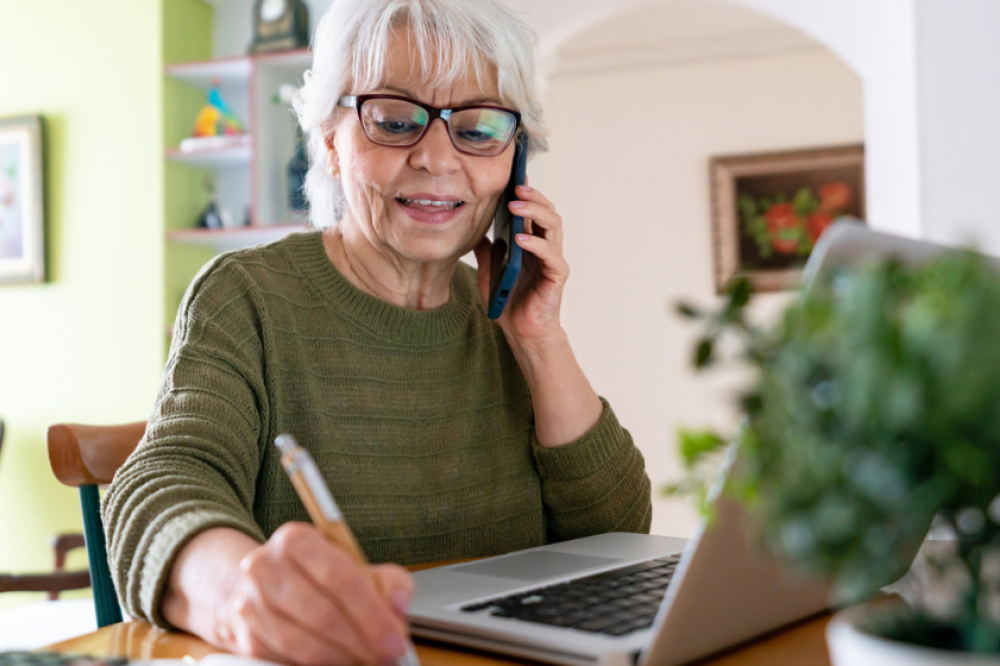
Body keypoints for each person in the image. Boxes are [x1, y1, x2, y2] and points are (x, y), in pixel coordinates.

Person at [103, 1, 652, 664]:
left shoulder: (506, 311)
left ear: (517, 164)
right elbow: (163, 482)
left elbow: (619, 539)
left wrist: (538, 340)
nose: (436, 158)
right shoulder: (246, 297)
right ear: (331, 139)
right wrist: (238, 596)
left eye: (478, 130)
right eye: (395, 121)